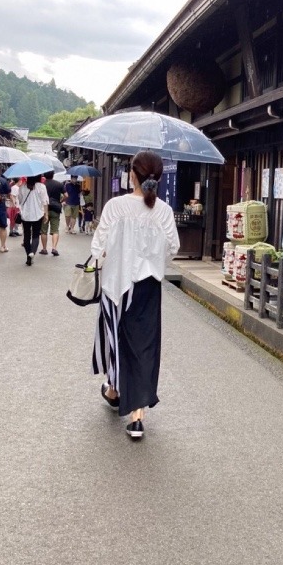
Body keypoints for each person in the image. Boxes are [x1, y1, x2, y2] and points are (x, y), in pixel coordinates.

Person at [90, 151, 179, 440]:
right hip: (148, 286)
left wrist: (111, 257)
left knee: (116, 339)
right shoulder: (164, 210)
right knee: (144, 345)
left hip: (116, 285)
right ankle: (137, 415)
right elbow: (172, 248)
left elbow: (98, 248)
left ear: (132, 174)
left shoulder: (116, 206)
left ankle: (115, 390)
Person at [18, 173, 49, 265]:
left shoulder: (22, 187)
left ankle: (29, 254)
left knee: (27, 236)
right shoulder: (41, 187)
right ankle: (32, 253)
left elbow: (20, 200)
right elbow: (45, 201)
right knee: (36, 235)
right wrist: (46, 214)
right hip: (38, 214)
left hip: (25, 215)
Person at [39, 170, 65, 256]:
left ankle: (44, 249)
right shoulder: (59, 184)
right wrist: (60, 201)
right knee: (55, 230)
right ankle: (54, 248)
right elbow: (67, 195)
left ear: (44, 175)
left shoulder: (42, 185)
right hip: (55, 208)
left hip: (44, 209)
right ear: (53, 175)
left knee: (43, 230)